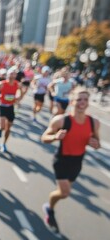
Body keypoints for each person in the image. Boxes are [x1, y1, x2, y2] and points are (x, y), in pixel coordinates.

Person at [41, 87, 100, 233]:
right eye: (79, 99)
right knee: (65, 193)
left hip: (77, 162)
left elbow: (96, 143)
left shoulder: (94, 122)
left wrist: (95, 144)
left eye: (85, 99)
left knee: (63, 193)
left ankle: (50, 206)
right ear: (72, 101)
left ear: (88, 103)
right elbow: (44, 138)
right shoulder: (61, 120)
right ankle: (49, 208)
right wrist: (55, 137)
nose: (82, 102)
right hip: (62, 160)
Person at [0, 66, 24, 153]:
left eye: (13, 74)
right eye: (10, 74)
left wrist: (19, 98)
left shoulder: (18, 84)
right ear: (7, 75)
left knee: (8, 128)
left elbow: (22, 91)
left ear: (15, 75)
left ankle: (3, 143)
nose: (12, 76)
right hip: (2, 106)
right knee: (2, 126)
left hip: (11, 106)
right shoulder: (2, 83)